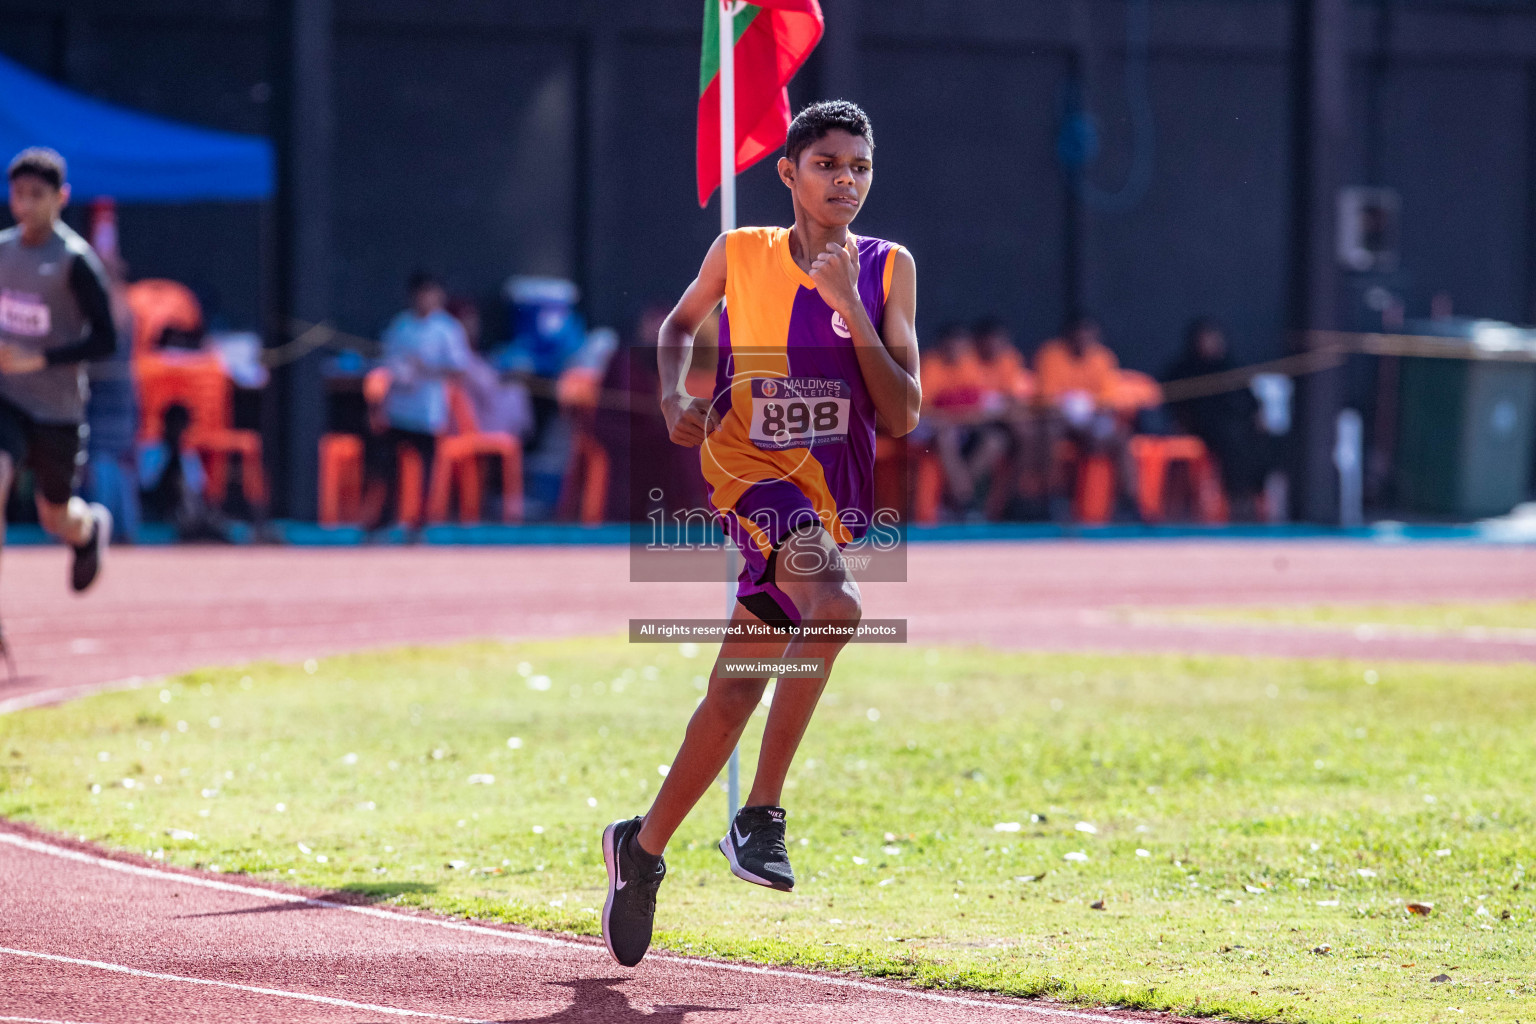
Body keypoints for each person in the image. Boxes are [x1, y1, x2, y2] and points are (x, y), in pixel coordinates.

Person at [601, 100, 920, 968]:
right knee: (840, 604)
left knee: (737, 688)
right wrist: (675, 394)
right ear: (788, 172)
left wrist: (848, 301)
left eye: (859, 165)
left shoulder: (888, 269)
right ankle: (760, 814)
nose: (844, 180)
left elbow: (902, 413)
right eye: (826, 164)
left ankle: (642, 847)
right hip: (747, 470)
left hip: (832, 493)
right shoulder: (738, 252)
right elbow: (677, 326)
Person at [0, 148, 115, 665]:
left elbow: (106, 340)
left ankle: (88, 530)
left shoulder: (75, 262)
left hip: (58, 409)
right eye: (18, 194)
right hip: (6, 398)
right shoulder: (2, 252)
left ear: (61, 198)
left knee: (54, 515)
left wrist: (40, 358)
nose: (24, 205)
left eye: (37, 196)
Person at [361, 272, 472, 533]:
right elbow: (385, 365)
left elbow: (459, 370)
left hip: (428, 413)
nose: (425, 298)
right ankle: (381, 521)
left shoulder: (447, 329)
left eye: (431, 293)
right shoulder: (400, 326)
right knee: (387, 468)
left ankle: (419, 525)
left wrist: (428, 369)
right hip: (398, 411)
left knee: (425, 474)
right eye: (421, 293)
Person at [1162, 317, 1274, 517]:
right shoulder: (1185, 370)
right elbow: (1175, 405)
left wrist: (1259, 418)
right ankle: (1234, 498)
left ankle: (1253, 496)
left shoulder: (1230, 367)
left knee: (1262, 443)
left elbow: (1252, 402)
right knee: (1231, 439)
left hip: (1240, 425)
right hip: (1204, 426)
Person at [1034, 314, 1138, 520]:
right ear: (1068, 337)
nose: (1082, 341)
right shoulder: (1051, 354)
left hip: (1092, 420)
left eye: (1087, 337)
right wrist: (1069, 405)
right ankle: (1052, 498)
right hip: (1059, 419)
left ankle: (1128, 503)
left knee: (1121, 436)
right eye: (1077, 337)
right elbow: (1046, 398)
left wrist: (1090, 409)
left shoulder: (1103, 358)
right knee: (1047, 431)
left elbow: (1108, 400)